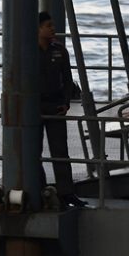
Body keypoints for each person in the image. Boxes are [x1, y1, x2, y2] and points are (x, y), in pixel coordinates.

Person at [38, 11, 87, 208]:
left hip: (55, 105)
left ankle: (67, 193)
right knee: (34, 152)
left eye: (52, 25)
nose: (53, 28)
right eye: (48, 25)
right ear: (38, 28)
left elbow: (68, 80)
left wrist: (66, 102)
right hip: (36, 106)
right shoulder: (27, 51)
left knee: (60, 152)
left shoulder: (60, 50)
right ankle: (40, 190)